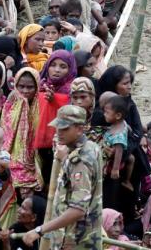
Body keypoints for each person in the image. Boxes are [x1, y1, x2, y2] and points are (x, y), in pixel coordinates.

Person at [21, 105, 102, 250]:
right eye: (58, 127)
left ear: (80, 129)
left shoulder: (79, 161)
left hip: (75, 239)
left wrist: (39, 230)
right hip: (84, 237)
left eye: (65, 128)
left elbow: (78, 210)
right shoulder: (91, 146)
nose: (59, 132)